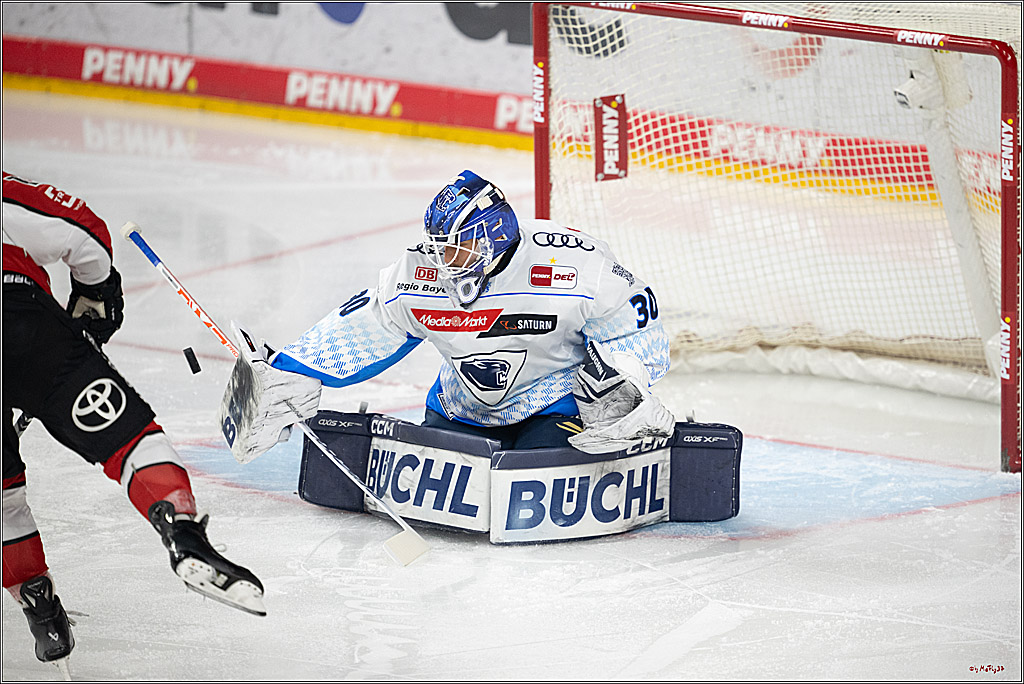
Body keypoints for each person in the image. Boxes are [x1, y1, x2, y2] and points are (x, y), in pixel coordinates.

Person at [222, 170, 675, 465]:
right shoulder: (420, 273)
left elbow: (633, 323)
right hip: (459, 408)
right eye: (438, 247)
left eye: (455, 246)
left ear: (492, 235)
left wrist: (625, 387)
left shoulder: (577, 265)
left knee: (538, 473)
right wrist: (286, 370)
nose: (442, 261)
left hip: (551, 405)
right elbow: (368, 325)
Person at [2, 172, 266, 670]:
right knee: (128, 437)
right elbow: (84, 230)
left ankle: (37, 601)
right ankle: (182, 532)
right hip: (20, 320)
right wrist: (94, 299)